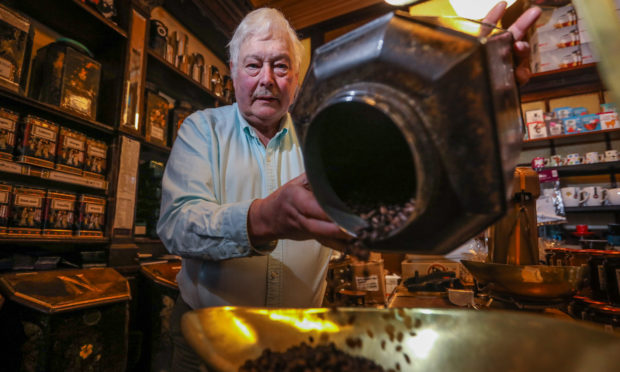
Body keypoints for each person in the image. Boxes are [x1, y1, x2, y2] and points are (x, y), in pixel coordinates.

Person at [157, 3, 541, 371]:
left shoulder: (326, 132)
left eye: (281, 66)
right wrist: (263, 218)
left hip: (300, 339)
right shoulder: (202, 130)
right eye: (253, 65)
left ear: (297, 76)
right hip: (207, 337)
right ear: (233, 71)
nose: (267, 80)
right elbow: (176, 225)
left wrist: (481, 86)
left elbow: (414, 162)